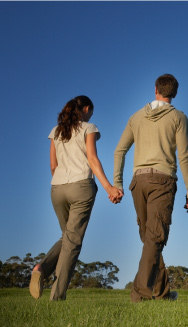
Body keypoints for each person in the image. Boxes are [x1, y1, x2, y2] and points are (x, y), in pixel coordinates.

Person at [29, 95, 123, 301]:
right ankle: (56, 297)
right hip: (81, 187)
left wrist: (62, 182)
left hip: (57, 188)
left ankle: (40, 268)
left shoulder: (56, 131)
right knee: (72, 242)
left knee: (67, 237)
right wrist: (109, 187)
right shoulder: (88, 128)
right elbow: (91, 158)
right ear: (87, 109)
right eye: (91, 112)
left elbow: (53, 166)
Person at [112, 74, 188, 302]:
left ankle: (162, 293)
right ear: (174, 93)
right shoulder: (179, 117)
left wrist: (117, 184)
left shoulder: (136, 117)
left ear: (155, 89)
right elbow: (185, 156)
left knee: (150, 238)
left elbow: (119, 151)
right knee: (154, 238)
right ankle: (139, 294)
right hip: (162, 181)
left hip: (138, 182)